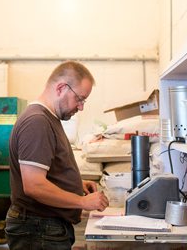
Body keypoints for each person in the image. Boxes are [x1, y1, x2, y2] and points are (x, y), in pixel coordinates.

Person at [6, 61, 109, 250]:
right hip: (38, 228)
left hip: (45, 227)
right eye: (80, 99)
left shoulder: (48, 119)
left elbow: (49, 171)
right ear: (61, 88)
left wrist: (77, 184)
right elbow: (34, 185)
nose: (81, 107)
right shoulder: (37, 122)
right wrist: (81, 201)